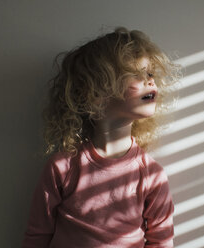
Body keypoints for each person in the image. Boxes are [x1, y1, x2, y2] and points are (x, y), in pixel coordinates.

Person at [22, 27, 180, 248]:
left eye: (150, 73)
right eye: (136, 74)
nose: (150, 81)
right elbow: (37, 237)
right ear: (96, 95)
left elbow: (161, 242)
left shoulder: (152, 176)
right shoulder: (63, 168)